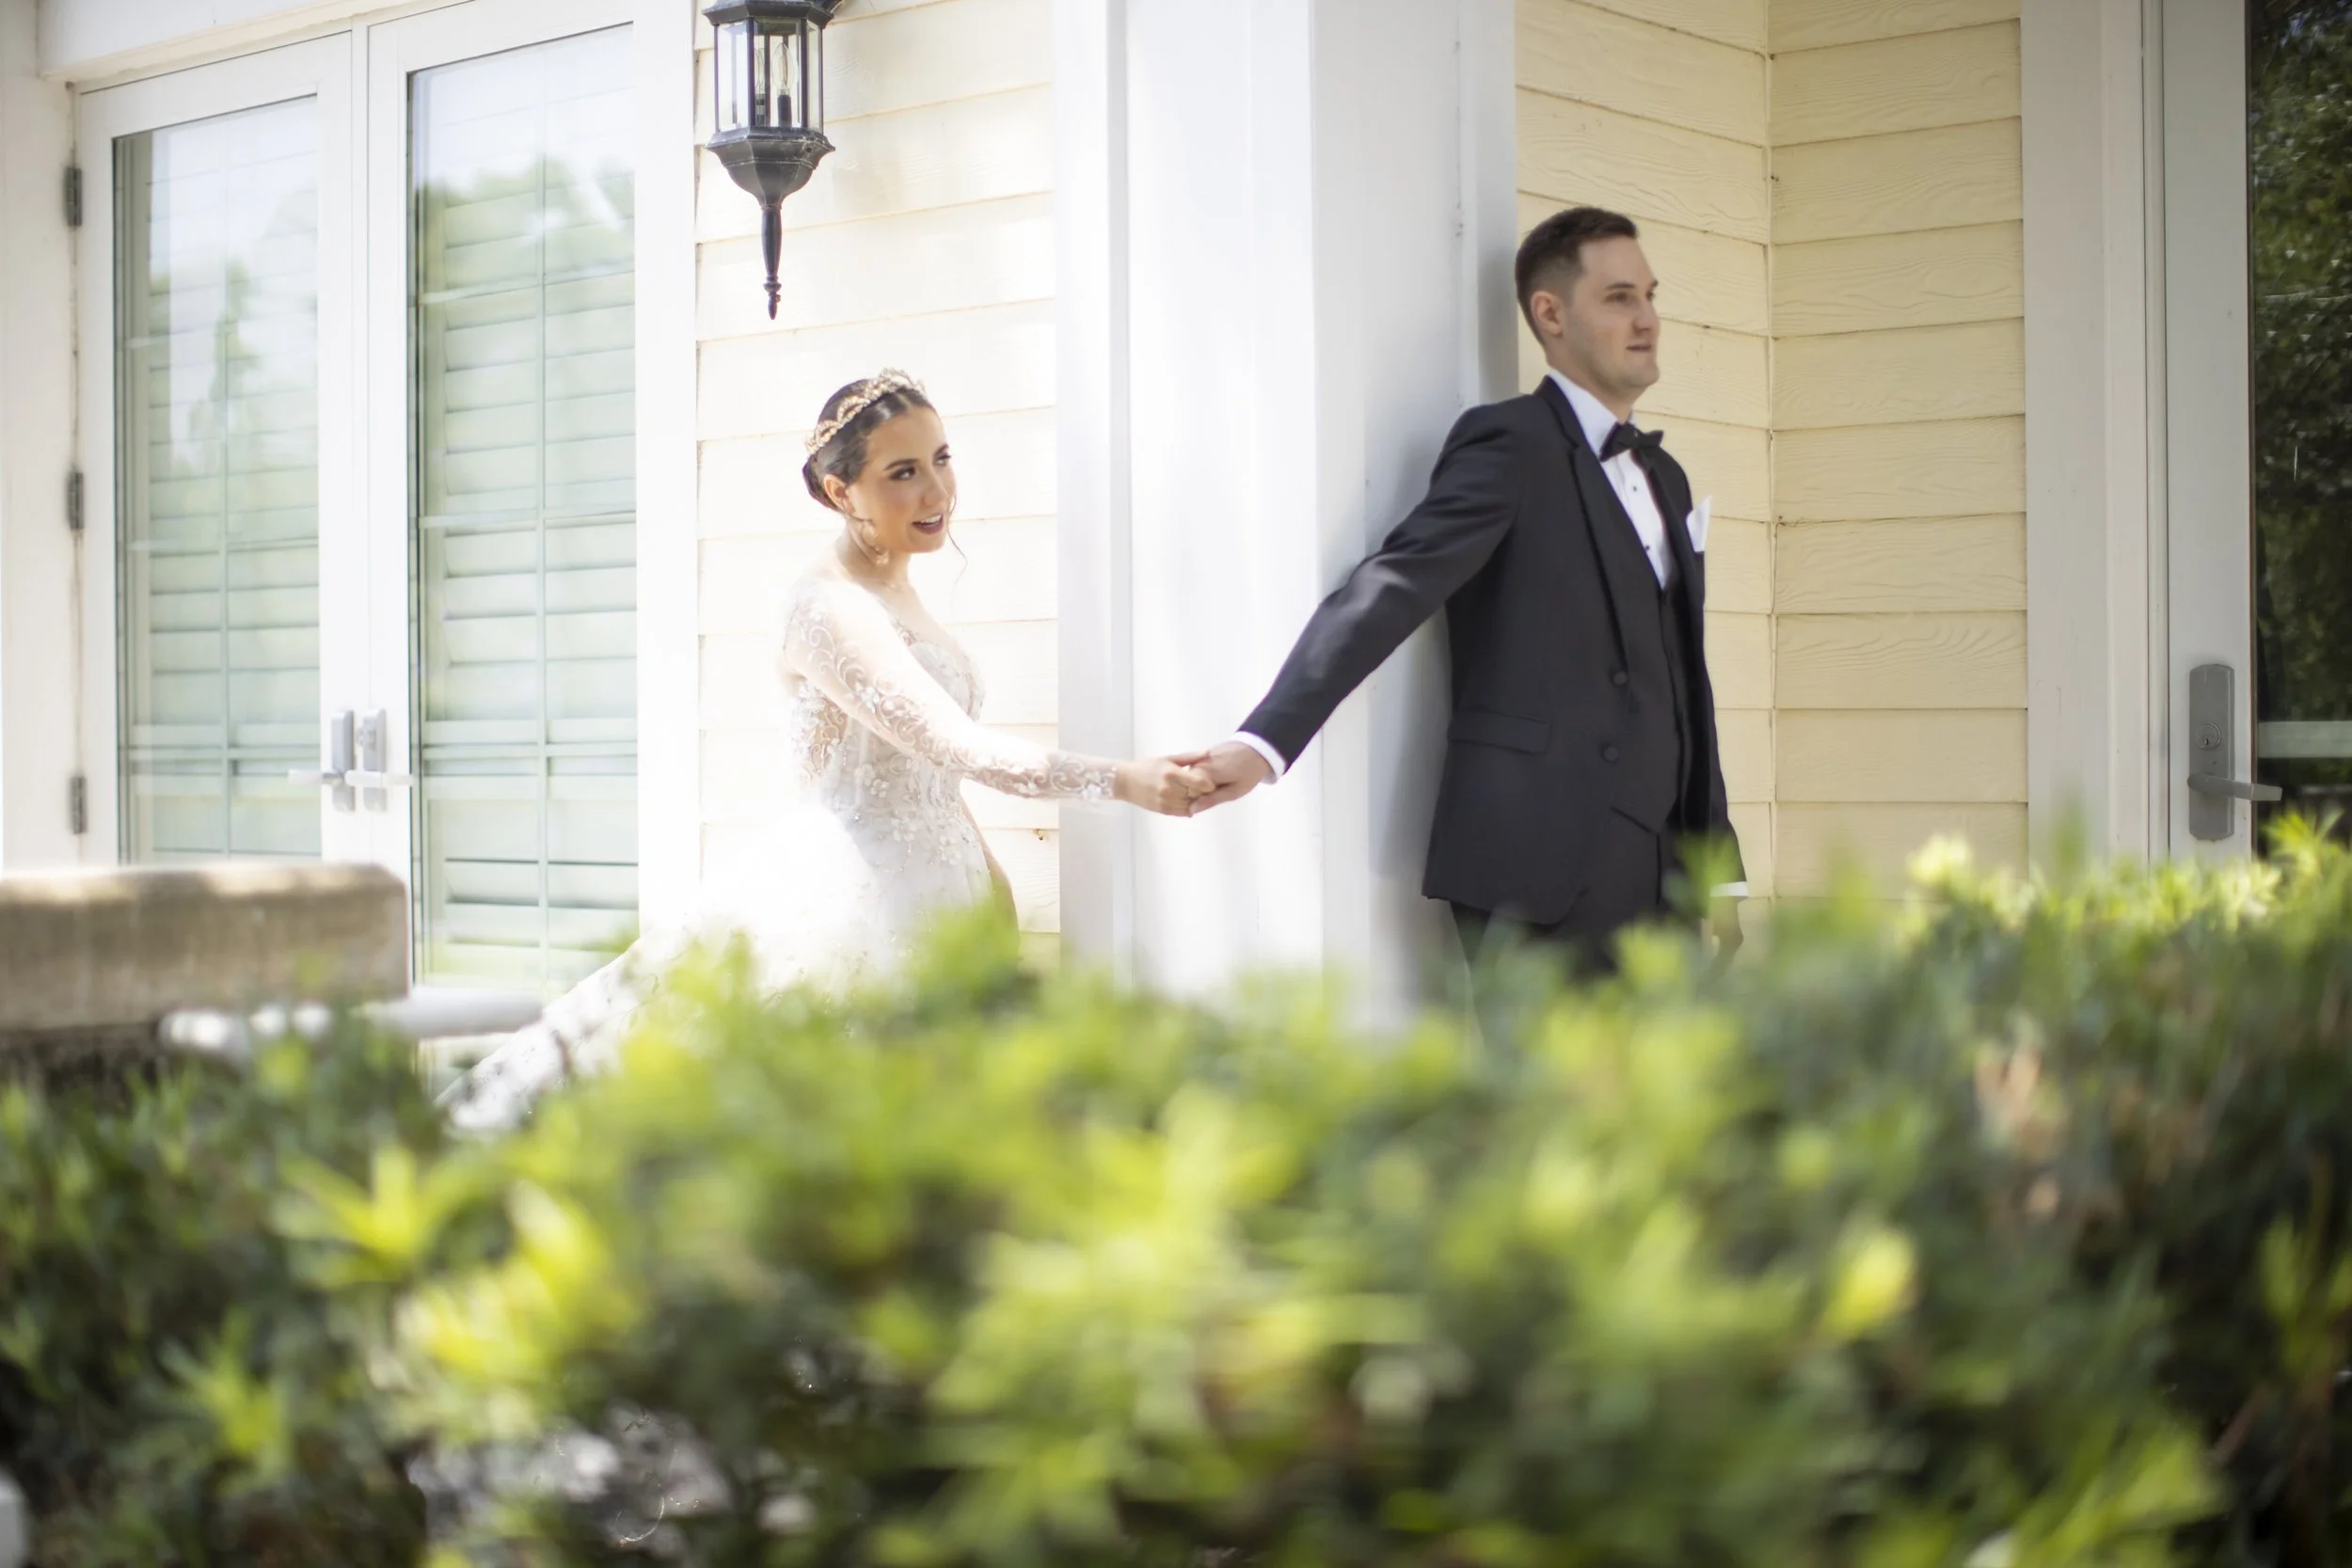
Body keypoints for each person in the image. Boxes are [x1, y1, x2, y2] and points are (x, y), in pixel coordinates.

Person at [442, 372, 1209, 1129]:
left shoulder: (901, 592)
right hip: (856, 900)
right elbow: (957, 745)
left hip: (940, 900)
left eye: (942, 459)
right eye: (902, 473)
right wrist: (1127, 781)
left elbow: (930, 776)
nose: (936, 492)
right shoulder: (826, 608)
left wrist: (993, 887)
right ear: (841, 492)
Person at [1184, 206, 1747, 975]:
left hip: (1666, 883)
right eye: (1620, 298)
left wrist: (1717, 864)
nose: (1647, 319)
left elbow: (1688, 682)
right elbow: (1391, 585)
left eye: (1651, 296)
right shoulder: (1509, 444)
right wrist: (1264, 741)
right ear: (1549, 314)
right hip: (1537, 872)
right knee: (1546, 1098)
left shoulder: (1663, 475)